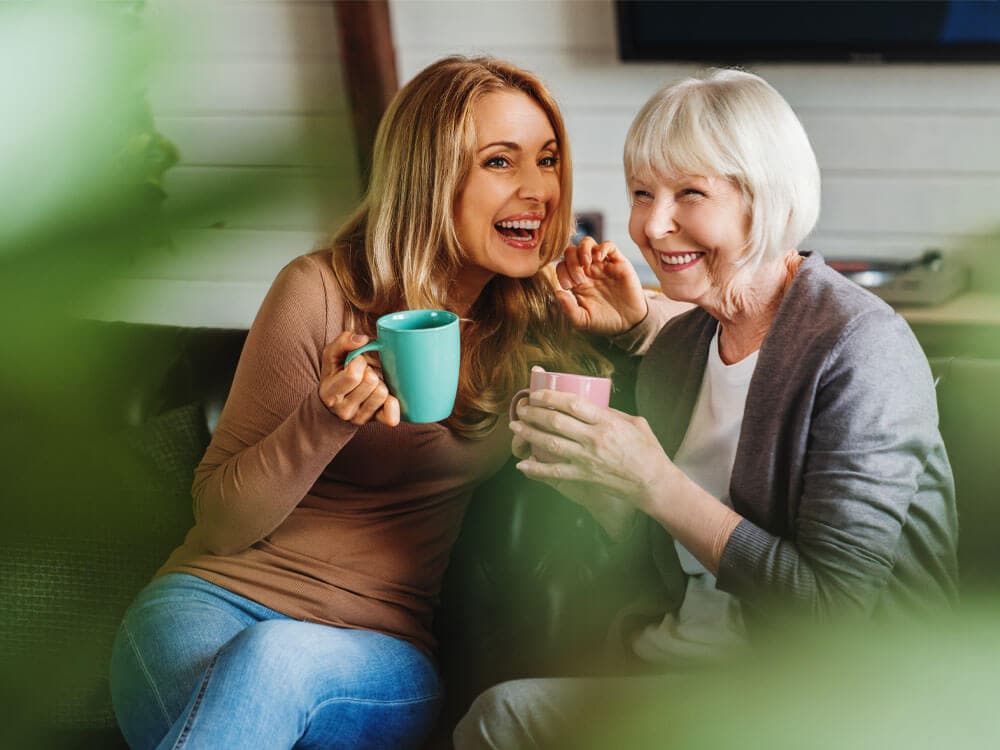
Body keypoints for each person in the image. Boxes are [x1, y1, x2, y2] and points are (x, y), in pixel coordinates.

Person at [108, 55, 612, 750]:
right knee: (256, 675)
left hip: (377, 650)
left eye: (548, 159)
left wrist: (633, 327)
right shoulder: (319, 289)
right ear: (431, 178)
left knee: (277, 659)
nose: (539, 190)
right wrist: (323, 420)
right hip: (206, 606)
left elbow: (705, 328)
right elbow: (221, 526)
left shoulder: (538, 321)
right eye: (501, 162)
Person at [454, 68, 959, 749]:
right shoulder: (681, 348)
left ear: (765, 201)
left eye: (690, 193)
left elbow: (835, 611)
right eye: (641, 193)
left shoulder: (860, 349)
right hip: (684, 670)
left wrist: (654, 482)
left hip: (837, 697)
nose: (653, 225)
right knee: (498, 712)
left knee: (501, 721)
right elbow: (668, 561)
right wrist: (603, 493)